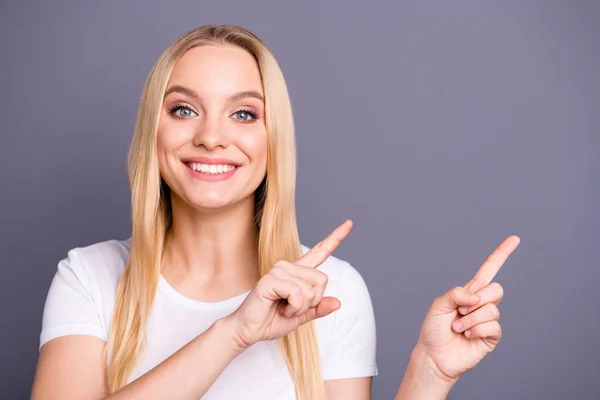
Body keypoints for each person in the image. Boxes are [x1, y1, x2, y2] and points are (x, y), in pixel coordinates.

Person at [30, 24, 520, 400]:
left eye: (244, 113)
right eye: (183, 109)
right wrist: (234, 332)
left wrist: (428, 374)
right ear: (152, 132)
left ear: (273, 140)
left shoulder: (332, 291)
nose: (212, 136)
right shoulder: (90, 277)